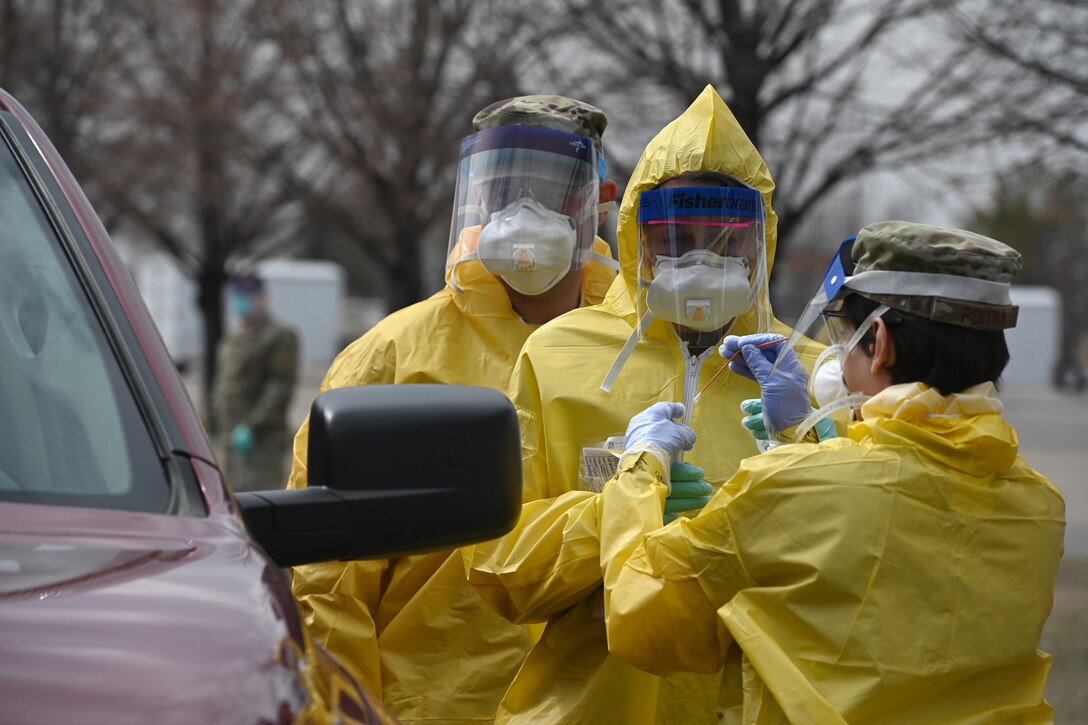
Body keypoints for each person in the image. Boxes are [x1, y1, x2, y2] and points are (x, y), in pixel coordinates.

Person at [599, 221, 1067, 723]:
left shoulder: (791, 484)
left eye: (844, 336)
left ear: (880, 341)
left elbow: (641, 616)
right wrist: (805, 434)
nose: (836, 360)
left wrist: (640, 468)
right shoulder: (1039, 504)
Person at [463, 85, 823, 724]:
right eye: (676, 238)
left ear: (758, 246)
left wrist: (803, 451)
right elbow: (498, 566)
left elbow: (859, 552)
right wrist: (613, 515)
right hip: (597, 704)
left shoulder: (810, 376)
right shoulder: (560, 355)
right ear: (637, 242)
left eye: (724, 241)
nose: (700, 261)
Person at [287, 96, 620, 724]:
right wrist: (348, 714)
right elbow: (327, 577)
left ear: (596, 201)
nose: (523, 212)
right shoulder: (391, 359)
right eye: (502, 191)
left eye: (548, 190)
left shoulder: (634, 354)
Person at [208, 275, 299, 492]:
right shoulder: (234, 337)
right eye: (238, 297)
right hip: (230, 439)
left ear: (263, 299)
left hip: (260, 442)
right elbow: (223, 385)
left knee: (258, 500)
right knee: (233, 502)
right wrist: (210, 424)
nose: (242, 302)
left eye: (248, 296)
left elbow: (280, 387)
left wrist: (252, 425)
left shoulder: (278, 336)